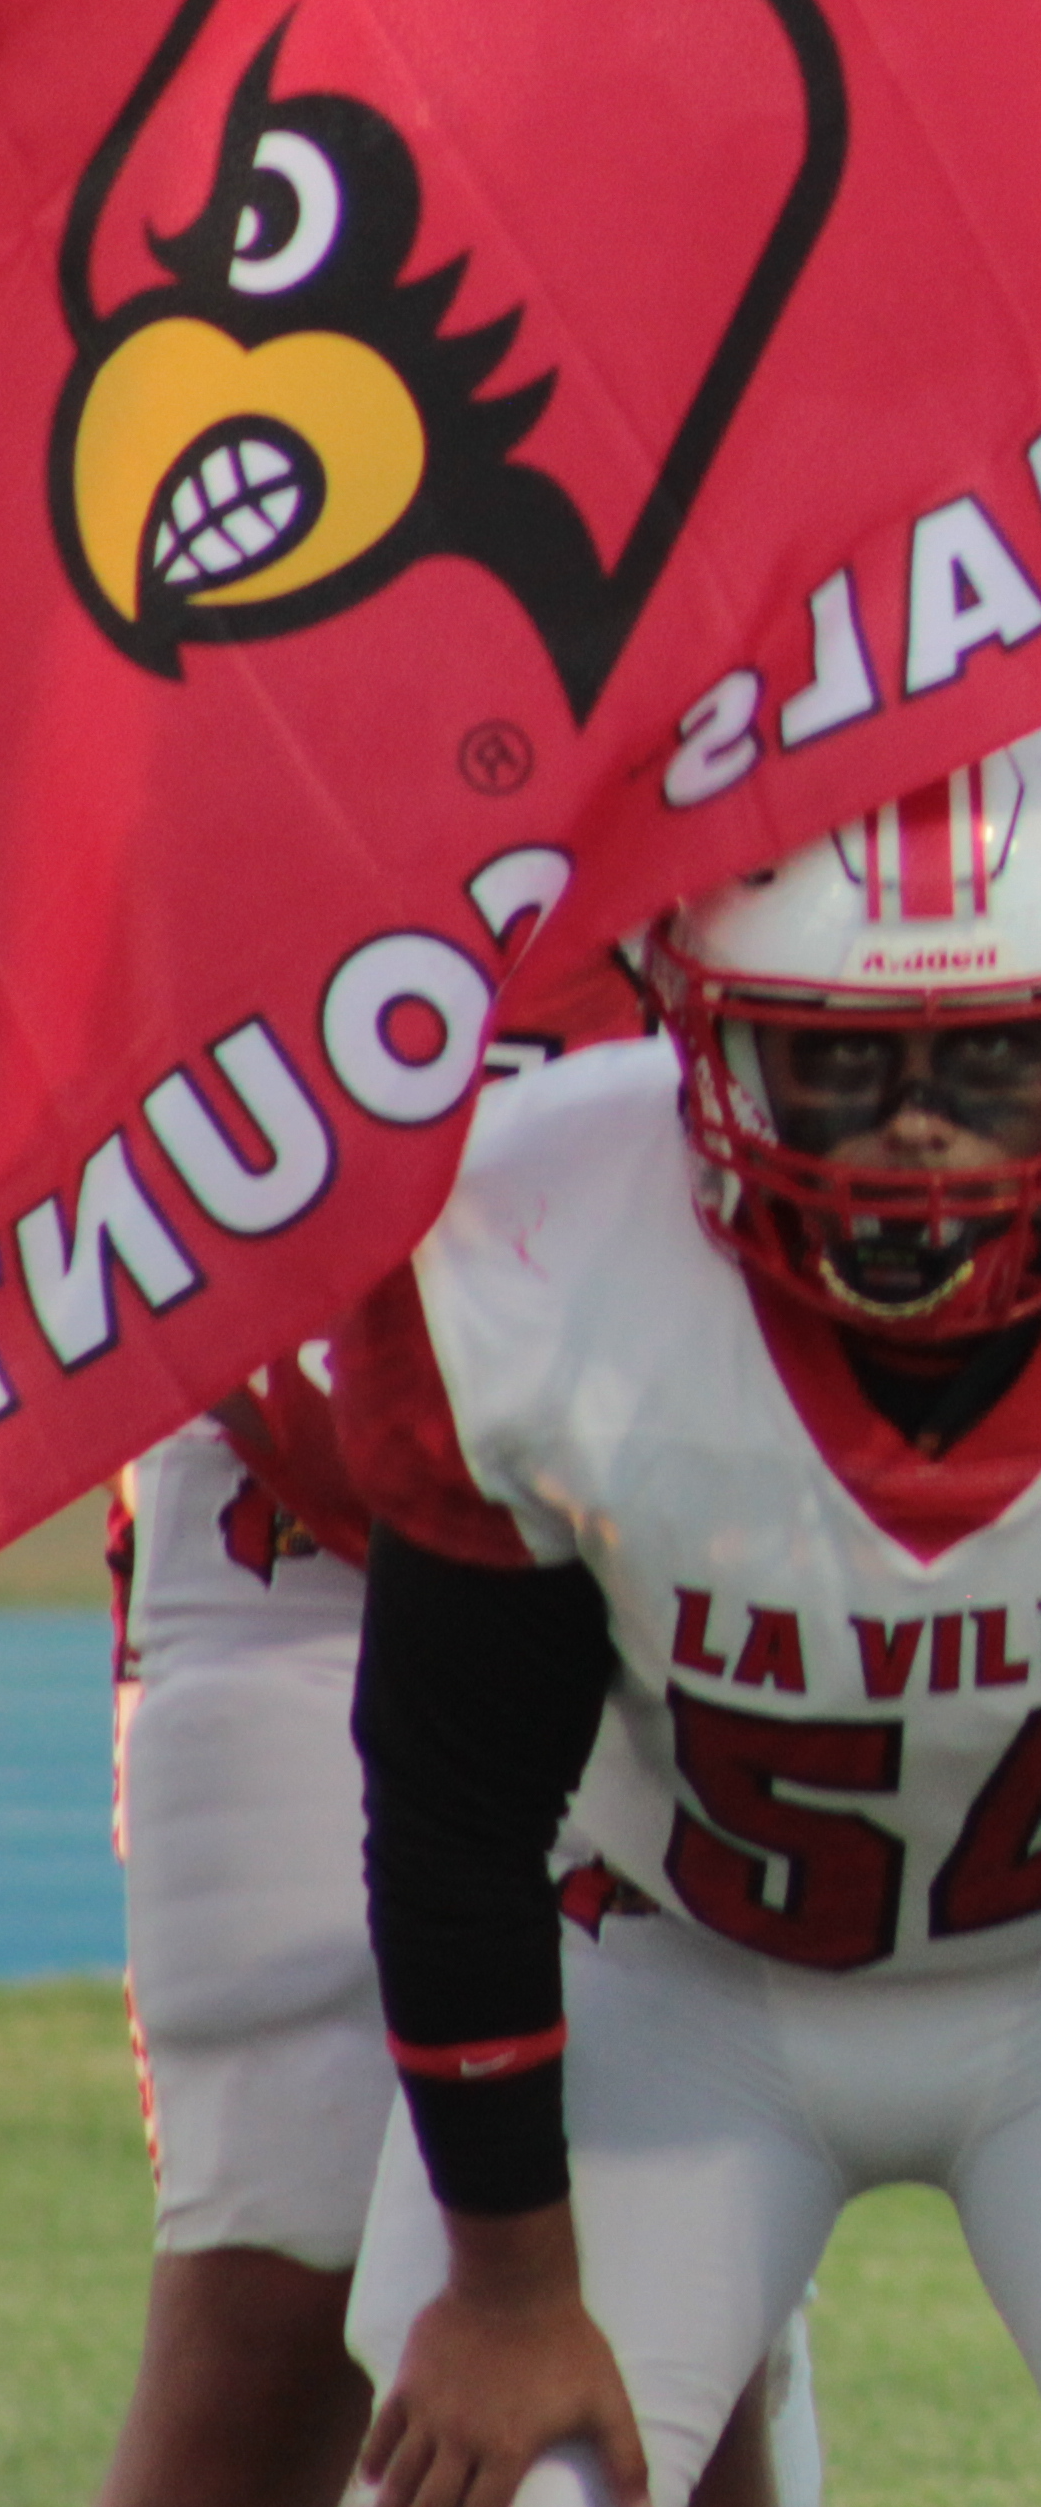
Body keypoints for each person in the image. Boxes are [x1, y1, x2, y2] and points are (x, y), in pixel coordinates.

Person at [323, 718, 1041, 2507]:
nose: (922, 1135)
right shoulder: (528, 1259)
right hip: (666, 1950)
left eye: (1005, 1054)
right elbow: (456, 1823)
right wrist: (509, 2292)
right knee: (506, 2485)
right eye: (840, 1064)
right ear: (702, 1033)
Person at [94, 942, 809, 2507]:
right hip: (291, 1513)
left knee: (675, 2288)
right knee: (271, 2281)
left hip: (688, 1461)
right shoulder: (239, 727)